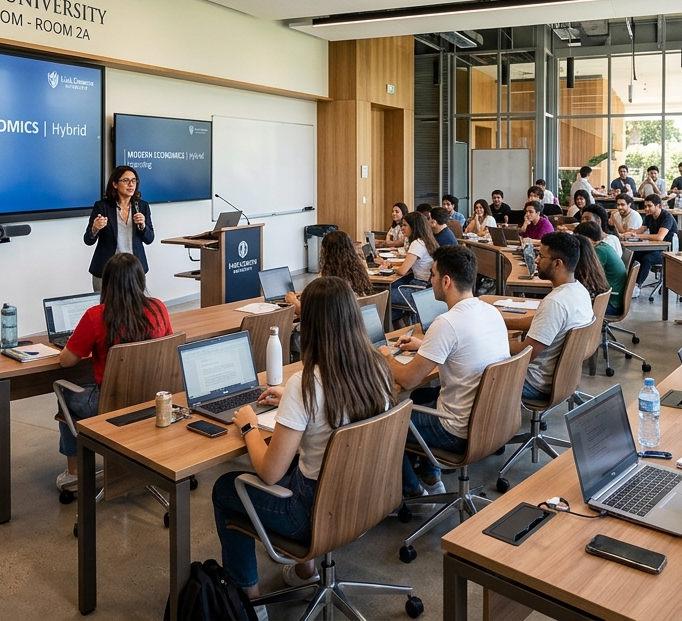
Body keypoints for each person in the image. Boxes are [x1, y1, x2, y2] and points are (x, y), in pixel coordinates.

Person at [212, 277, 393, 599]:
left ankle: (248, 598)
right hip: (367, 497)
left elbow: (270, 473)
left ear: (309, 324)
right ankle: (305, 569)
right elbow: (333, 405)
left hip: (312, 515)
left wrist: (250, 426)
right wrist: (295, 403)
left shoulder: (306, 383)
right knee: (301, 459)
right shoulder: (377, 367)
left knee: (226, 487)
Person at [382, 247, 509, 498]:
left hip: (456, 430)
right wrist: (426, 347)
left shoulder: (447, 323)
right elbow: (464, 355)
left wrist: (385, 357)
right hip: (493, 421)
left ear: (446, 281)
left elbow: (408, 379)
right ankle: (431, 475)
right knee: (420, 399)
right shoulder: (490, 311)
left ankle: (413, 491)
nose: (430, 280)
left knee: (385, 424)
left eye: (433, 275)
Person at [56, 253, 172, 489]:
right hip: (153, 398)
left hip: (110, 404)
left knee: (64, 394)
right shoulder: (158, 308)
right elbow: (169, 346)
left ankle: (75, 473)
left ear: (107, 283)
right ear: (140, 280)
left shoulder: (96, 316)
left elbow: (66, 362)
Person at [502, 233, 593, 400]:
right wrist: (502, 322)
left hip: (535, 383)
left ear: (557, 263)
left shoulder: (555, 303)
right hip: (565, 379)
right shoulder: (580, 291)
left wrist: (495, 341)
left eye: (541, 256)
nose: (536, 260)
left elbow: (525, 354)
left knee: (473, 367)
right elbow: (542, 323)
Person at [84, 165, 155, 291]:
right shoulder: (102, 207)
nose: (131, 185)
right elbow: (88, 240)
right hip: (106, 269)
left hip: (134, 268)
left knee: (135, 308)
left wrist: (143, 226)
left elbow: (150, 239)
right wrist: (95, 228)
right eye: (126, 181)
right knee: (105, 308)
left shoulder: (142, 206)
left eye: (134, 181)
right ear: (115, 184)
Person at [284, 230, 372, 316]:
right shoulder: (358, 271)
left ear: (325, 252)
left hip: (334, 326)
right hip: (355, 323)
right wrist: (310, 294)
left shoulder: (329, 280)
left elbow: (309, 313)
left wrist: (293, 302)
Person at [380, 211, 437, 321]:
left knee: (382, 295)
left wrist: (391, 268)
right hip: (427, 289)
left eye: (405, 225)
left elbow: (402, 271)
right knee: (393, 307)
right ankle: (397, 328)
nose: (402, 228)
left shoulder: (417, 244)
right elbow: (410, 265)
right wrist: (392, 265)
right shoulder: (427, 240)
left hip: (418, 289)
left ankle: (384, 329)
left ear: (414, 226)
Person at [625, 193, 677, 286]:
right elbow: (640, 231)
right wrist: (629, 233)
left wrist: (638, 236)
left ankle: (637, 285)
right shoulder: (649, 216)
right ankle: (629, 284)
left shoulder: (667, 217)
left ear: (659, 206)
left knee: (647, 258)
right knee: (634, 254)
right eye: (645, 206)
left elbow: (659, 237)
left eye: (649, 206)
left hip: (668, 252)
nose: (646, 209)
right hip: (655, 248)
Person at [575, 221, 626, 316]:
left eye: (579, 239)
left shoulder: (599, 251)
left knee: (570, 307)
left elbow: (586, 275)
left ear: (588, 239)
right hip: (612, 298)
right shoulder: (604, 246)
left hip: (609, 303)